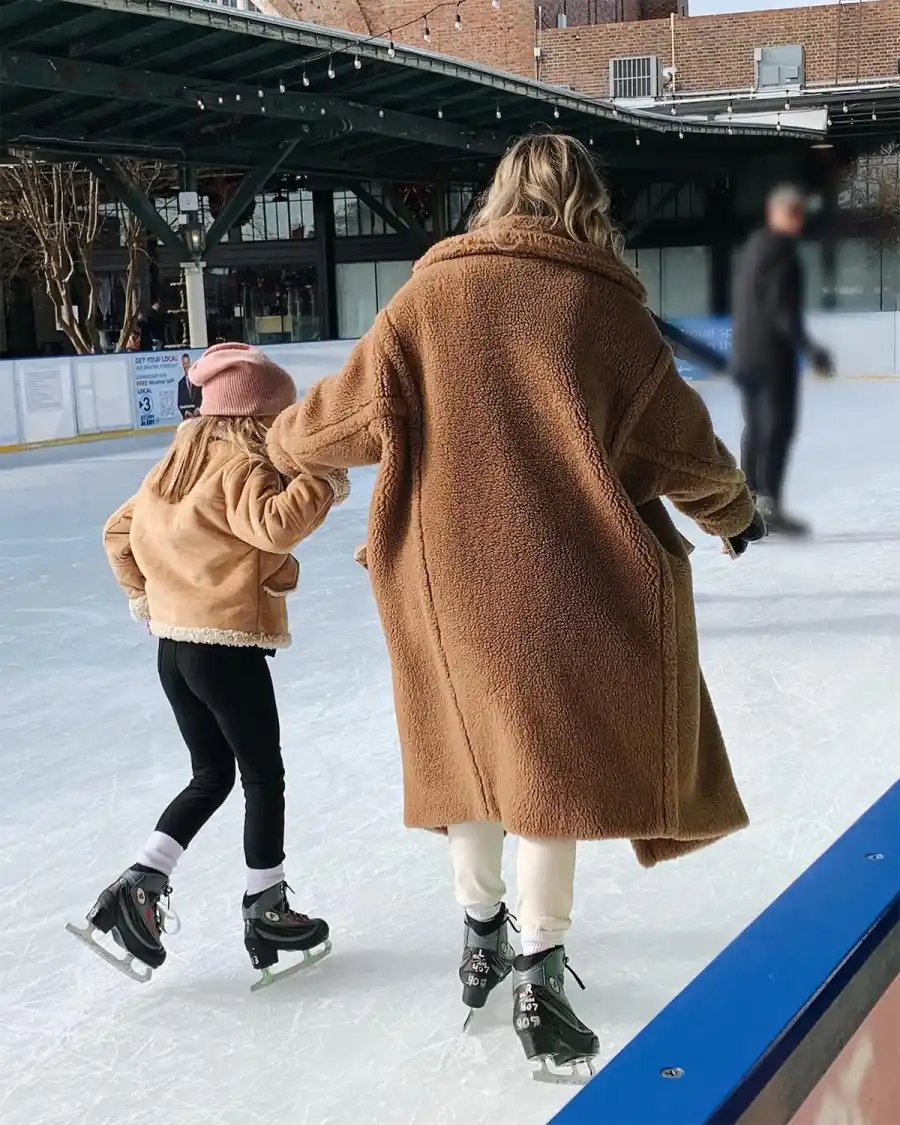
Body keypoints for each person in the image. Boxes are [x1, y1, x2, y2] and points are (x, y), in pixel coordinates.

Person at [265, 134, 765, 1078]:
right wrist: (735, 514)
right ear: (586, 201)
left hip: (444, 586)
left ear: (498, 196)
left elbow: (335, 418)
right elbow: (684, 446)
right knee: (548, 771)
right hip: (567, 583)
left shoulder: (426, 297)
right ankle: (540, 965)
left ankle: (479, 934)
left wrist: (279, 442)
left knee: (470, 757)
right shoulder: (605, 307)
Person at [67, 342, 349, 988]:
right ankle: (267, 906)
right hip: (223, 649)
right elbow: (274, 524)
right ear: (254, 419)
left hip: (175, 651)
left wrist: (146, 597)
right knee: (262, 775)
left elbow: (117, 533)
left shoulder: (170, 470)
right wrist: (322, 480)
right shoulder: (240, 465)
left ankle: (140, 882)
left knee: (211, 773)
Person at [731, 184, 834, 537]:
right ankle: (766, 507)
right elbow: (782, 311)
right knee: (776, 428)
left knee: (757, 428)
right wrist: (811, 351)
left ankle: (750, 504)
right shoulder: (780, 252)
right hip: (770, 357)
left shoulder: (754, 247)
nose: (798, 219)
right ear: (777, 214)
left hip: (746, 355)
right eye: (793, 212)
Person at [177, 352, 202, 418]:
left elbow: (203, 397)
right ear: (182, 365)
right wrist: (186, 412)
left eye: (187, 363)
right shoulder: (180, 383)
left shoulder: (197, 379)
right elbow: (179, 403)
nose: (186, 366)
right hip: (187, 419)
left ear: (190, 363)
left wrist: (199, 409)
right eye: (184, 364)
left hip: (199, 416)